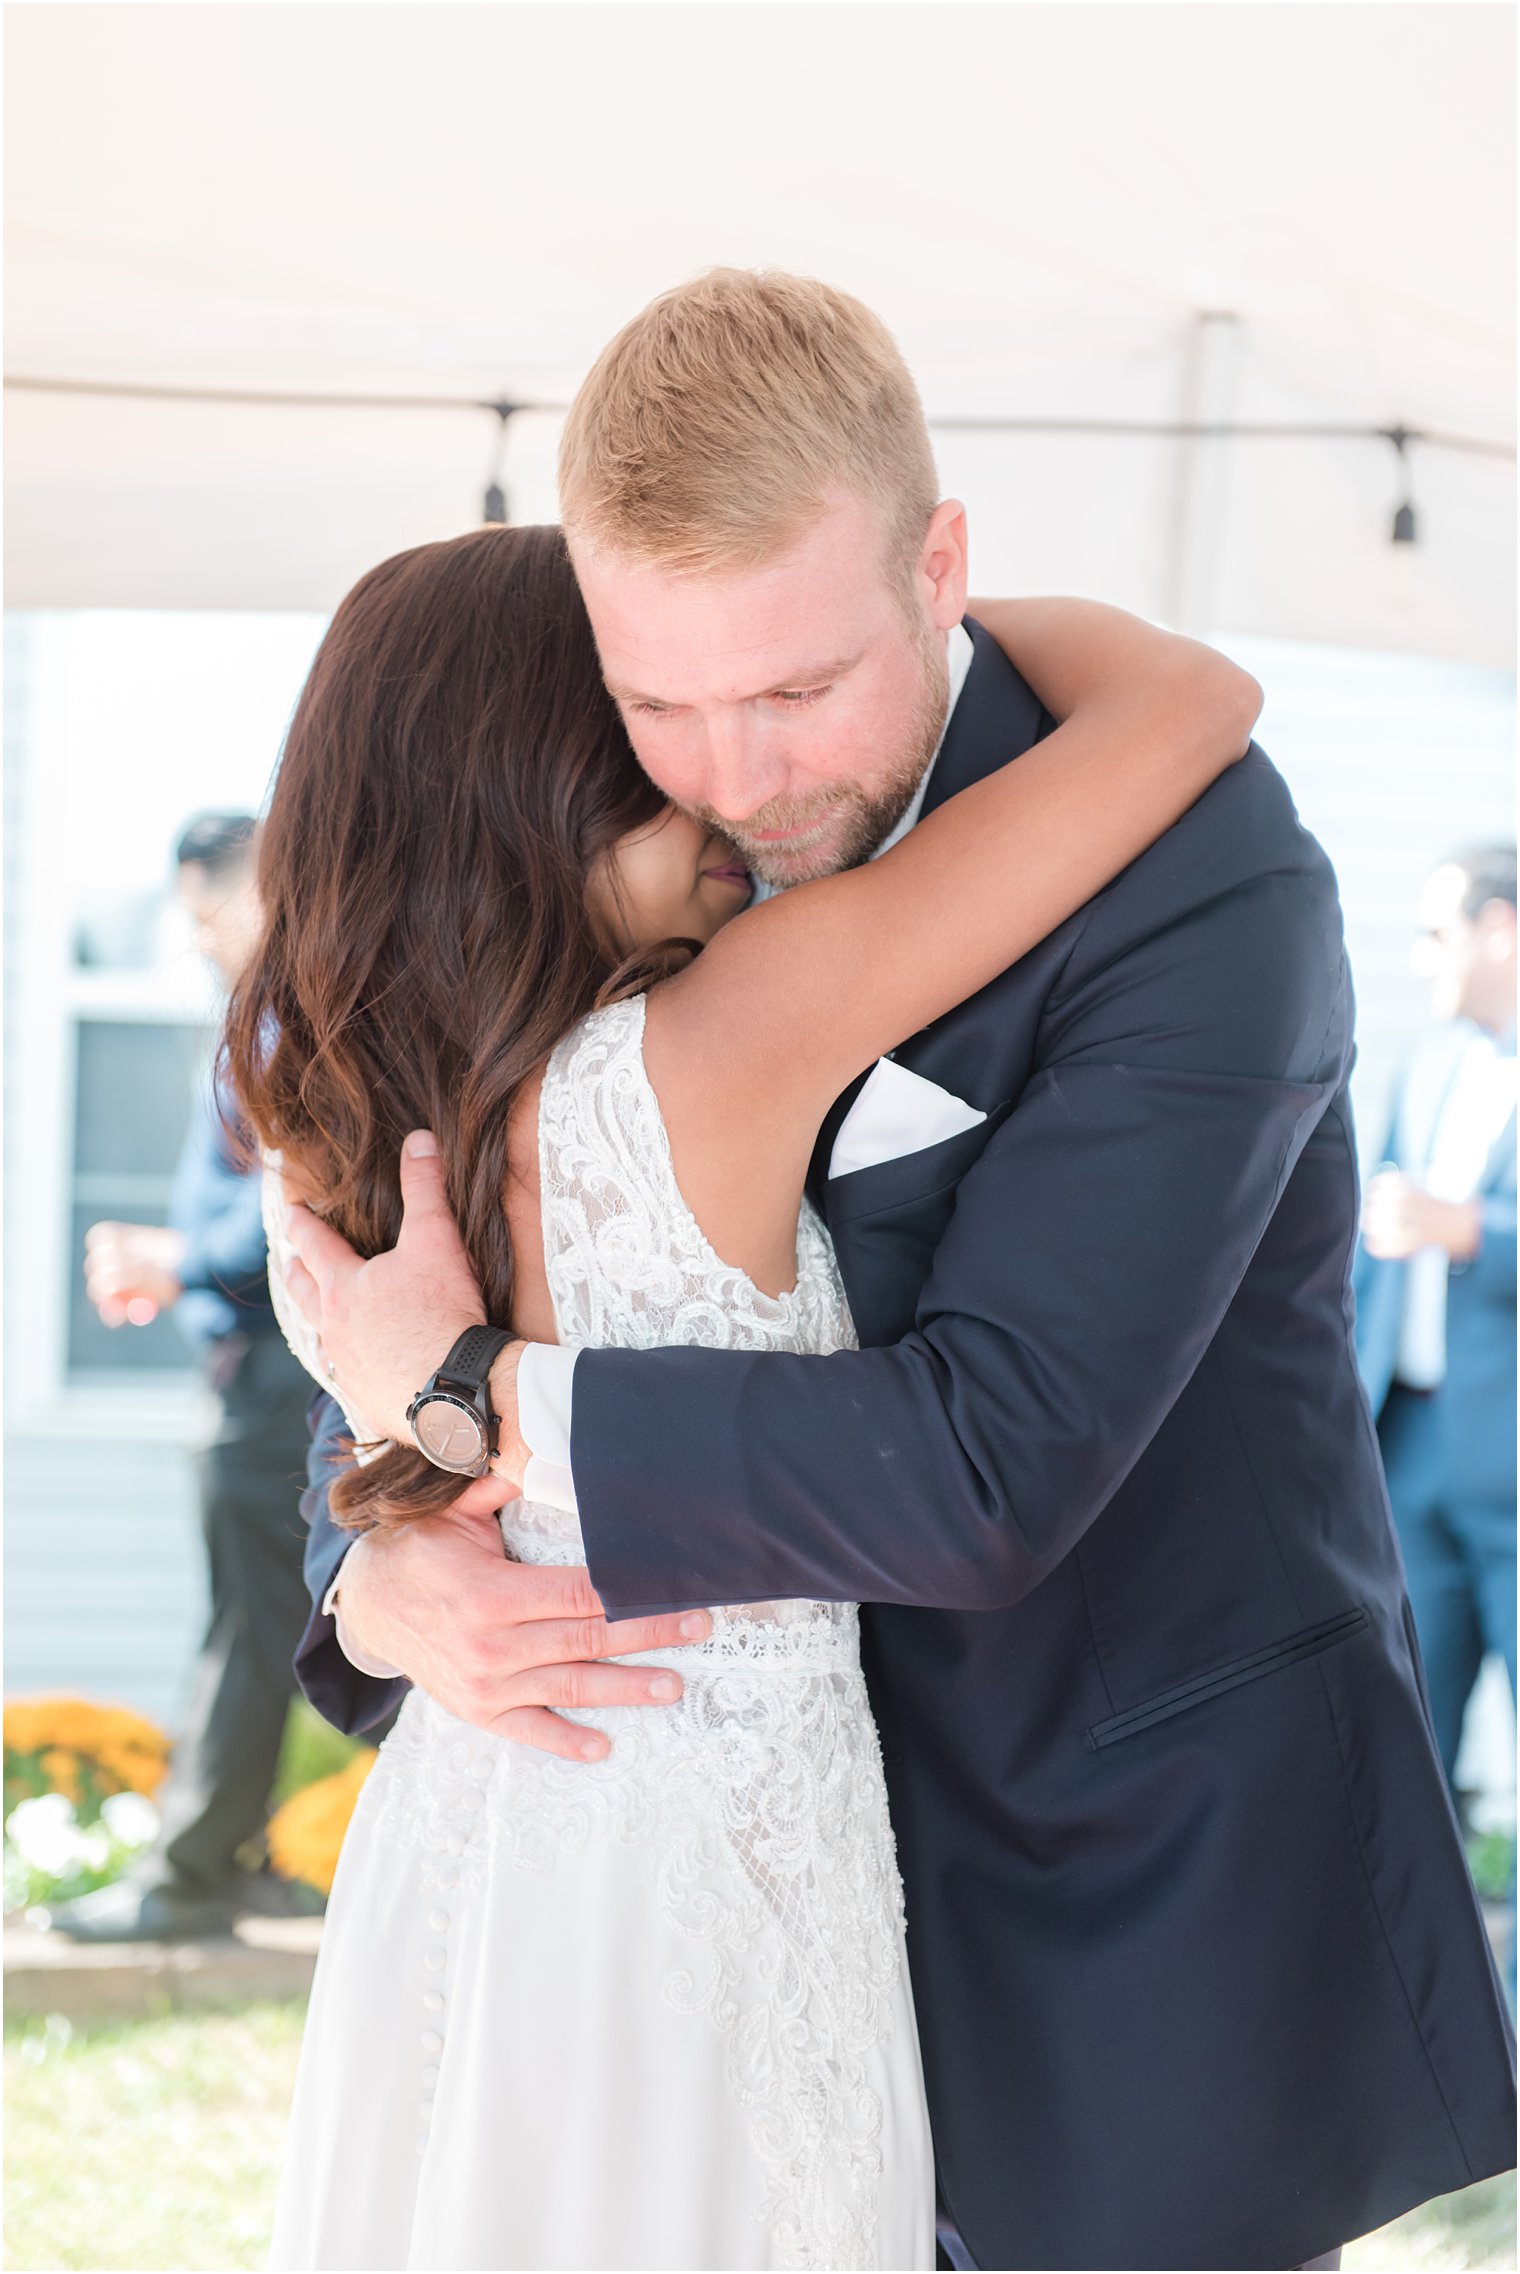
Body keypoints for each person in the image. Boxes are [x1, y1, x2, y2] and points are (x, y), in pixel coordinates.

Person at [283, 274, 1515, 2273]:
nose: (732, 777)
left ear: (941, 567)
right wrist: (377, 1558)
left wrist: (477, 1402)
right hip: (658, 1896)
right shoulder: (607, 850)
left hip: (1113, 1895)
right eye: (656, 696)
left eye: (792, 688)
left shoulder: (1201, 881)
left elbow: (994, 1460)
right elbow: (426, 1267)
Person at [226, 508, 1256, 2270]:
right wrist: (880, 618)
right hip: (728, 1857)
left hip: (475, 1824)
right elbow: (1189, 700)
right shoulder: (728, 1035)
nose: (721, 791)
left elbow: (380, 1440)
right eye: (650, 729)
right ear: (524, 773)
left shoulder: (317, 1125)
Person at [43, 815, 321, 1942]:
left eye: (212, 911)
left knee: (260, 1631)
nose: (201, 939)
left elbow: (312, 1212)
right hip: (250, 1369)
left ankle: (192, 1876)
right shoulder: (256, 1021)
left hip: (281, 1373)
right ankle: (228, 1858)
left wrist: (183, 1262)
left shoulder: (300, 1020)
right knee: (266, 1625)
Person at [1354, 847, 1516, 1833]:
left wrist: (1468, 1230)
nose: (1420, 961)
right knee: (1403, 1759)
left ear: (1498, 927)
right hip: (1406, 1459)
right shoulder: (1425, 1068)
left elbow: (1448, 1225)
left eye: (1435, 935)